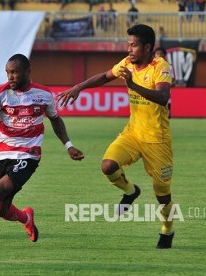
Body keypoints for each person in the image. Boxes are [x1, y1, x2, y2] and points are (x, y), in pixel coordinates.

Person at [58, 24, 175, 249]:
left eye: (134, 45)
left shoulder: (160, 66)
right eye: (128, 44)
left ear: (148, 47)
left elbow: (162, 97)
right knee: (108, 165)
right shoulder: (127, 63)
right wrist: (78, 87)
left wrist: (132, 84)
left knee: (162, 194)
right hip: (133, 133)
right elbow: (104, 76)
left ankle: (167, 230)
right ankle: (130, 191)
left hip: (156, 140)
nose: (129, 49)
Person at [0, 54, 85, 249]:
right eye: (7, 72)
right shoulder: (1, 94)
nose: (10, 76)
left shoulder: (44, 94)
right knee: (2, 208)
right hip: (3, 153)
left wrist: (69, 145)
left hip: (28, 154)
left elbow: (55, 120)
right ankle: (26, 217)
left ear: (27, 72)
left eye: (14, 72)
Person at [154, 47, 175, 118]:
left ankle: (168, 114)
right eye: (157, 54)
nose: (159, 55)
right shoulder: (151, 66)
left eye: (161, 54)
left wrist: (167, 84)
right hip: (154, 90)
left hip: (166, 90)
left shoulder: (169, 66)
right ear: (155, 55)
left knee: (166, 104)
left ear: (164, 56)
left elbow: (173, 78)